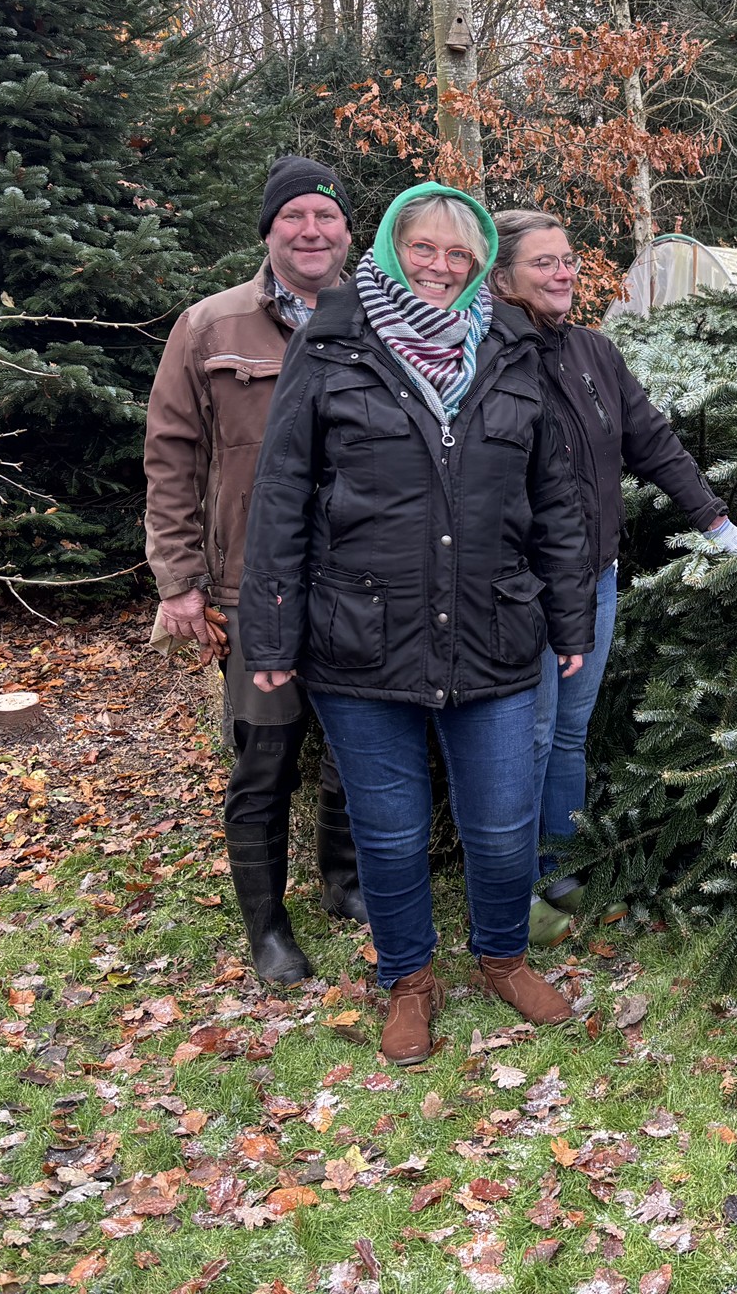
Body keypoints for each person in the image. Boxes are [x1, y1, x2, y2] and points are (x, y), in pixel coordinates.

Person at [238, 181, 597, 1066]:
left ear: (481, 262)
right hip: (361, 637)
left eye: (458, 252)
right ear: (393, 252)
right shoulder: (333, 341)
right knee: (390, 831)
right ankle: (409, 979)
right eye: (423, 248)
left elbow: (554, 497)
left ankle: (503, 958)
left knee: (503, 825)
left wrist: (569, 618)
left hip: (494, 629)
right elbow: (281, 493)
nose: (441, 266)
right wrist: (272, 633)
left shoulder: (511, 346)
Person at [488, 210, 737, 939]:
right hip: (523, 584)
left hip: (595, 576)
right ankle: (516, 889)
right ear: (502, 279)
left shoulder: (594, 351)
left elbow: (652, 441)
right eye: (544, 262)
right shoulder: (491, 357)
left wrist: (715, 522)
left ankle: (563, 867)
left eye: (568, 259)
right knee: (532, 735)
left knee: (571, 731)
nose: (564, 272)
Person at [144, 155, 366, 989]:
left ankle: (344, 882)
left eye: (326, 216)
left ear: (348, 232)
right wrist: (179, 579)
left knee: (354, 743)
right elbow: (171, 457)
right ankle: (267, 925)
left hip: (357, 579)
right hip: (251, 583)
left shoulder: (375, 317)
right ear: (268, 230)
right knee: (266, 752)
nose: (311, 231)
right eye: (293, 217)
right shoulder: (210, 327)